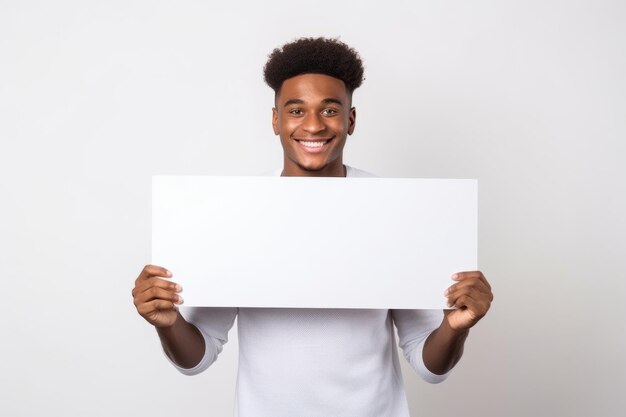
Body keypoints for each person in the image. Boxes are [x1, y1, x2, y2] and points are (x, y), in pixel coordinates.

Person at [132, 37, 493, 416]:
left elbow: (428, 364)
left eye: (330, 110)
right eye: (297, 110)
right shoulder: (240, 212)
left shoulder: (394, 209)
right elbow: (197, 356)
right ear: (276, 120)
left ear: (351, 120)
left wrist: (456, 326)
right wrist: (167, 322)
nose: (314, 125)